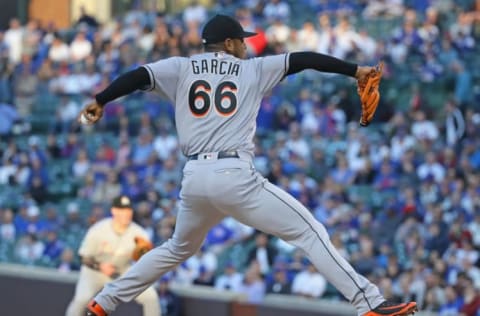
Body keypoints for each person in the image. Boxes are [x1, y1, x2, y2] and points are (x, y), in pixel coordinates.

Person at [80, 14, 418, 316]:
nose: (246, 44)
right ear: (229, 43)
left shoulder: (180, 66)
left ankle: (105, 301)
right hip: (233, 174)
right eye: (242, 39)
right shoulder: (251, 69)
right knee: (309, 231)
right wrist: (355, 70)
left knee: (177, 247)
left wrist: (100, 99)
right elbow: (304, 60)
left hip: (195, 178)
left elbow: (136, 75)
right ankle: (369, 303)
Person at [65, 195, 159, 316]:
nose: (126, 214)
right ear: (114, 211)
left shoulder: (139, 233)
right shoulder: (98, 229)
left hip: (122, 271)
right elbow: (83, 257)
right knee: (81, 299)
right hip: (94, 272)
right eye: (122, 210)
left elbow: (146, 260)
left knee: (151, 297)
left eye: (128, 210)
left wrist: (145, 259)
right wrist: (100, 266)